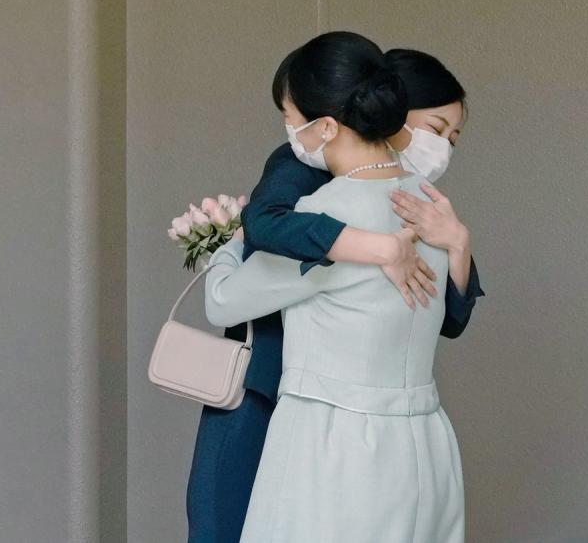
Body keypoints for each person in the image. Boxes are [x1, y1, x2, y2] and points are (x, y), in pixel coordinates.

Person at [185, 40, 483, 542]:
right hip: (426, 445)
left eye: (290, 115)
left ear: (325, 125)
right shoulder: (433, 211)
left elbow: (223, 299)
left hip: (332, 446)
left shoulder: (324, 216)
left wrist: (230, 245)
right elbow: (446, 315)